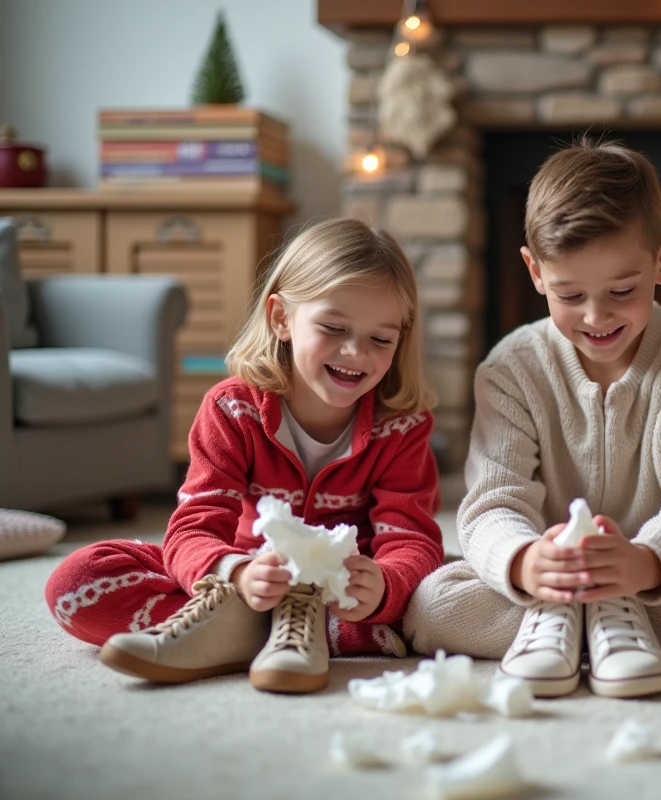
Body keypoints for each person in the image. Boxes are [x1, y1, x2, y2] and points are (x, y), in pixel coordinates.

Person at [403, 137, 661, 699]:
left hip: (652, 571)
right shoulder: (510, 368)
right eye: (570, 294)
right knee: (431, 607)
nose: (597, 316)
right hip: (546, 574)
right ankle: (574, 616)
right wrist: (525, 564)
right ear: (535, 272)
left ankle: (591, 620)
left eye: (622, 289)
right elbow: (494, 502)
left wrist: (643, 562)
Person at [45, 218, 442, 694]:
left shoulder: (402, 424)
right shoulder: (232, 408)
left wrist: (383, 585)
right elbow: (193, 527)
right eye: (334, 327)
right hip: (246, 576)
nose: (356, 351)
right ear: (281, 318)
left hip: (347, 590)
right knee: (76, 582)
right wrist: (234, 573)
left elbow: (412, 539)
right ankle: (261, 624)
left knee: (447, 594)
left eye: (381, 339)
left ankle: (255, 631)